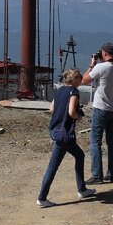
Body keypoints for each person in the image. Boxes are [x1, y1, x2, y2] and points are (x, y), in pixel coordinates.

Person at [36, 68, 96, 208]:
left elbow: (52, 109)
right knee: (53, 166)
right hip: (64, 134)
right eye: (80, 79)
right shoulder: (74, 92)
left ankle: (82, 189)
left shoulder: (59, 91)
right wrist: (78, 116)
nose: (81, 81)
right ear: (74, 80)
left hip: (55, 130)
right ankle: (42, 197)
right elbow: (71, 112)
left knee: (79, 155)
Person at [81, 41, 113, 184]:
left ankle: (97, 175)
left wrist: (92, 64)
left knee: (95, 142)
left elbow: (85, 80)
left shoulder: (100, 67)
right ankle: (111, 174)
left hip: (100, 109)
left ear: (104, 53)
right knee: (112, 143)